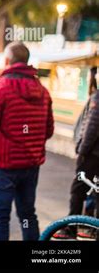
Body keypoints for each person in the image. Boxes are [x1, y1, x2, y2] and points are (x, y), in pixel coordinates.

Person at [0, 41, 54, 241]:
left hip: (2, 165)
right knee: (28, 215)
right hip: (30, 165)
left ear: (7, 60)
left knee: (0, 219)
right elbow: (49, 129)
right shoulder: (42, 91)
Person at [54, 68, 99, 240]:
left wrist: (82, 150)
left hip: (92, 154)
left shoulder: (98, 97)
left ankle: (70, 228)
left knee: (78, 189)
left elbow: (92, 127)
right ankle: (93, 228)